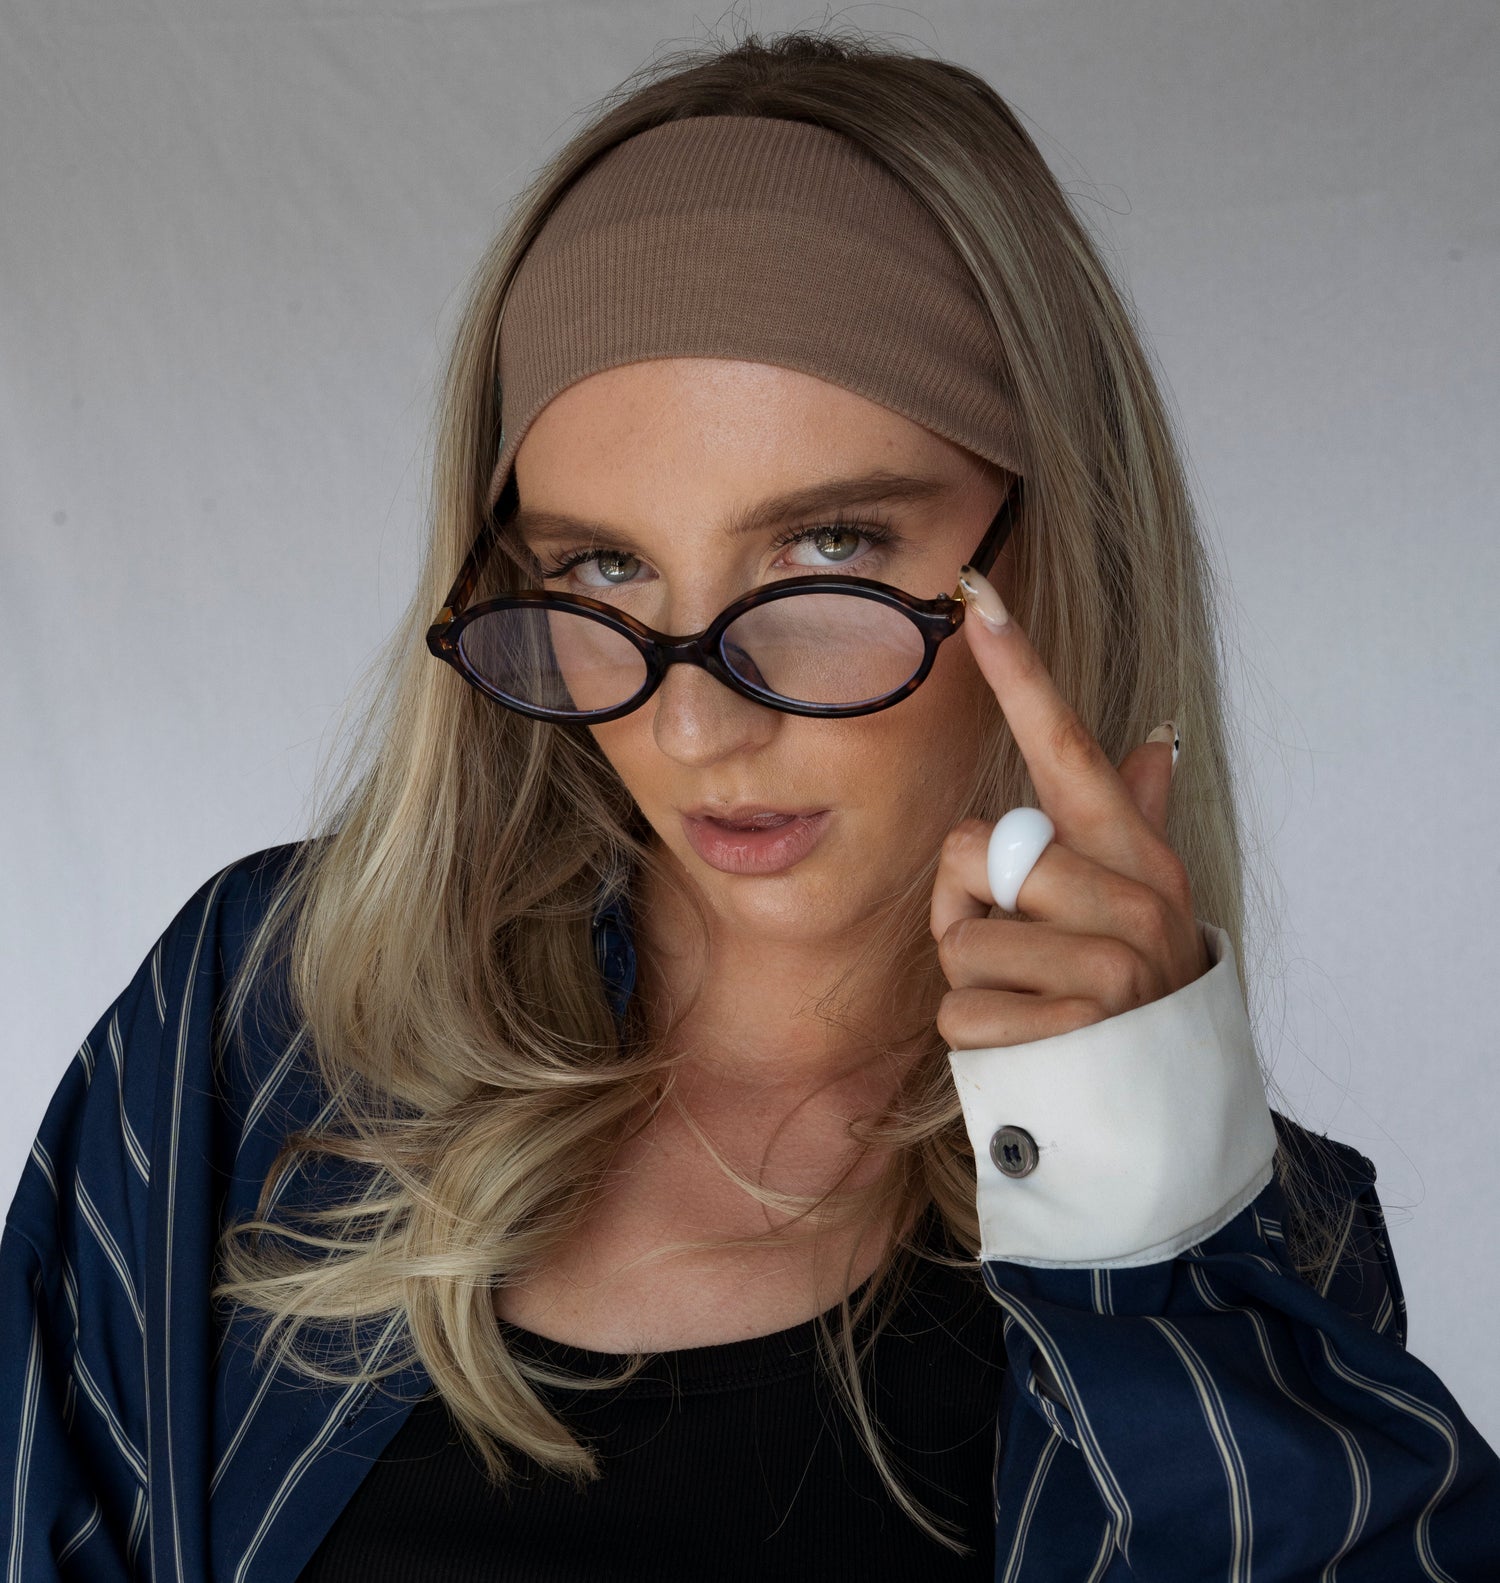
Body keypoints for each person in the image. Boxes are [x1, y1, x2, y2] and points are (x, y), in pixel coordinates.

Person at [4, 27, 1498, 1582]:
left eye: (830, 548)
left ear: (1064, 540)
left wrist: (1137, 1178)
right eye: (603, 567)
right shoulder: (266, 1018)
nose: (695, 720)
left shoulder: (1244, 1244)